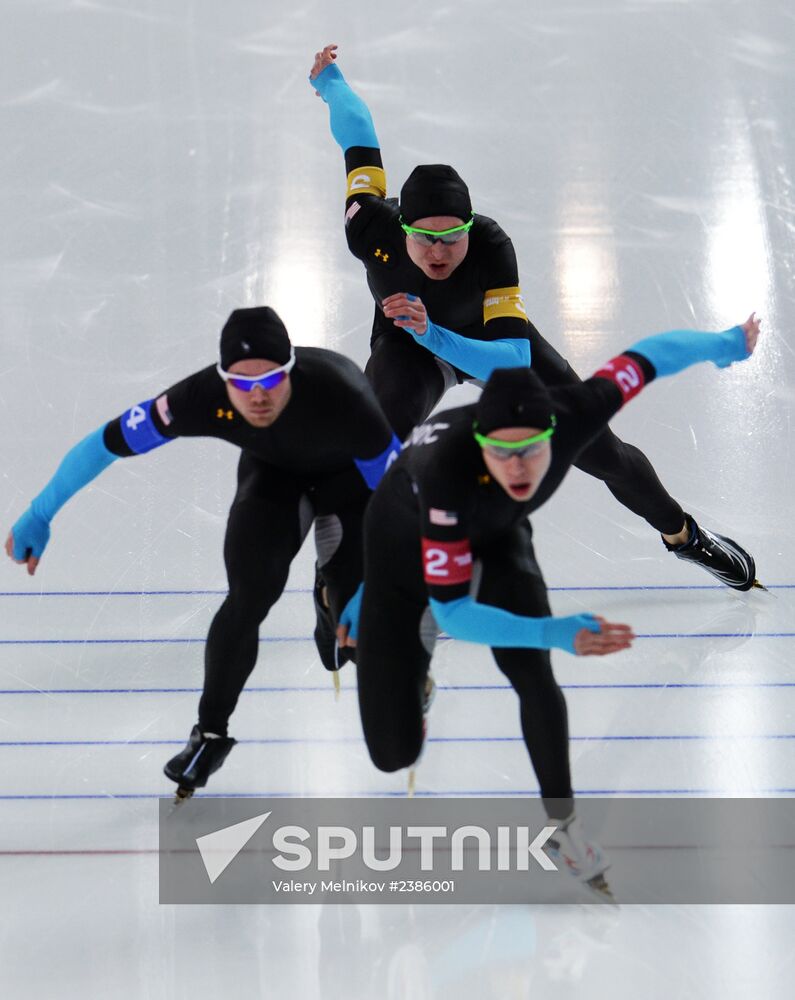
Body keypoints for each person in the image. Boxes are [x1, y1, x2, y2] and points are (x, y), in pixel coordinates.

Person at [309, 43, 759, 592]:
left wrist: (433, 331)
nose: (438, 252)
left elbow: (513, 357)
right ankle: (364, 573)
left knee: (603, 452)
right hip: (407, 349)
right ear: (401, 228)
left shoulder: (493, 246)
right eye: (425, 238)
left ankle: (683, 535)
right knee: (375, 448)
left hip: (485, 344)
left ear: (469, 229)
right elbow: (357, 132)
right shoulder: (369, 227)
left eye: (452, 238)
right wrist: (330, 81)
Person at [338, 314, 761, 897]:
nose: (517, 468)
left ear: (554, 432)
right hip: (401, 542)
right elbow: (458, 614)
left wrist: (725, 345)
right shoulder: (445, 474)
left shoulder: (577, 412)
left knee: (534, 676)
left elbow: (648, 353)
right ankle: (414, 663)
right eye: (502, 453)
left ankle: (563, 827)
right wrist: (557, 630)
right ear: (480, 441)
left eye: (531, 452)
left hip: (495, 532)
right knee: (394, 752)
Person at [5, 306, 400, 797]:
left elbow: (399, 506)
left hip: (353, 483)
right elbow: (104, 444)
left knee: (360, 634)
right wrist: (40, 513)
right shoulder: (197, 398)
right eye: (240, 382)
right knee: (249, 597)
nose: (257, 395)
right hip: (272, 479)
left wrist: (378, 586)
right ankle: (210, 733)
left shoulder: (345, 399)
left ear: (292, 369)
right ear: (221, 379)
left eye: (272, 379)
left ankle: (332, 598)